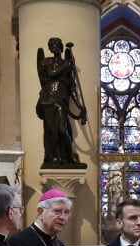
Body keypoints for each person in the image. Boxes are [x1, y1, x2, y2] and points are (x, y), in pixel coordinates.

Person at [36, 37, 86, 169]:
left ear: (62, 47)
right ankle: (54, 158)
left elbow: (72, 88)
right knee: (51, 131)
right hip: (49, 99)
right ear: (50, 48)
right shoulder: (47, 62)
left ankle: (68, 158)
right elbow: (51, 73)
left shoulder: (67, 62)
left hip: (61, 100)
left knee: (63, 130)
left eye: (58, 45)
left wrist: (80, 107)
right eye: (52, 45)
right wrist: (67, 64)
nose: (55, 47)